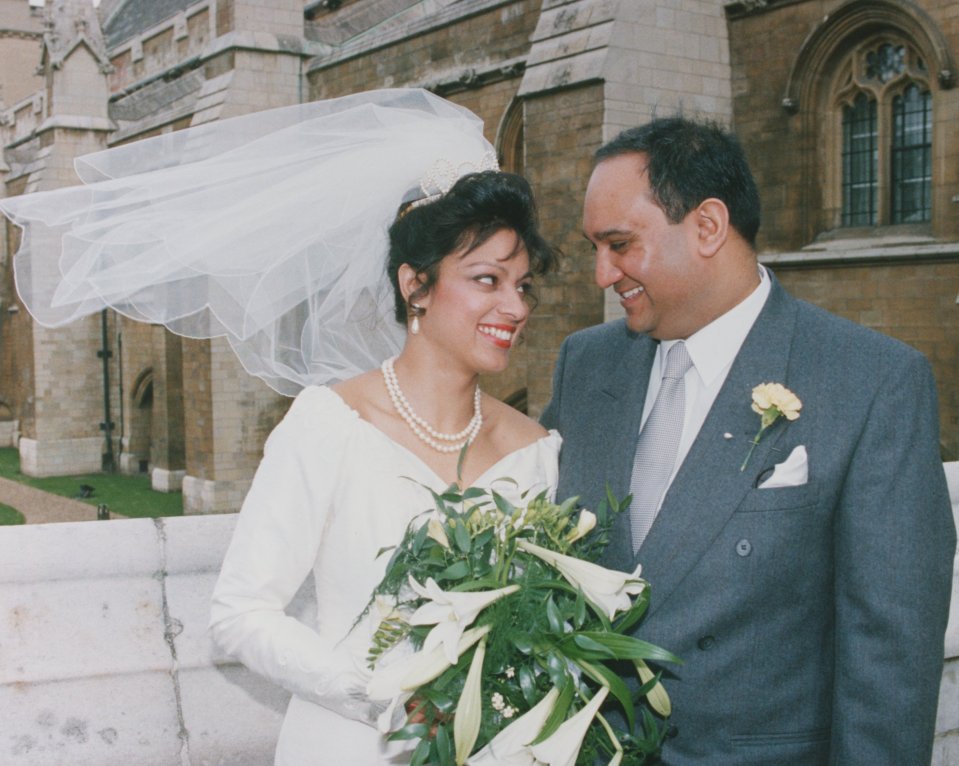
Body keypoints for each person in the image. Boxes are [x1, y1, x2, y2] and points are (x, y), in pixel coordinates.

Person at [0, 89, 561, 764]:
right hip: (353, 742)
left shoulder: (534, 451)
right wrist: (386, 694)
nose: (513, 305)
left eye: (523, 285)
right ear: (415, 285)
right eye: (487, 280)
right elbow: (240, 612)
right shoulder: (329, 423)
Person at [541, 116, 955, 765]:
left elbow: (889, 659)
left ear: (707, 226)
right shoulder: (585, 365)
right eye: (594, 247)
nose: (600, 272)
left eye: (619, 244)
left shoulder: (871, 382)